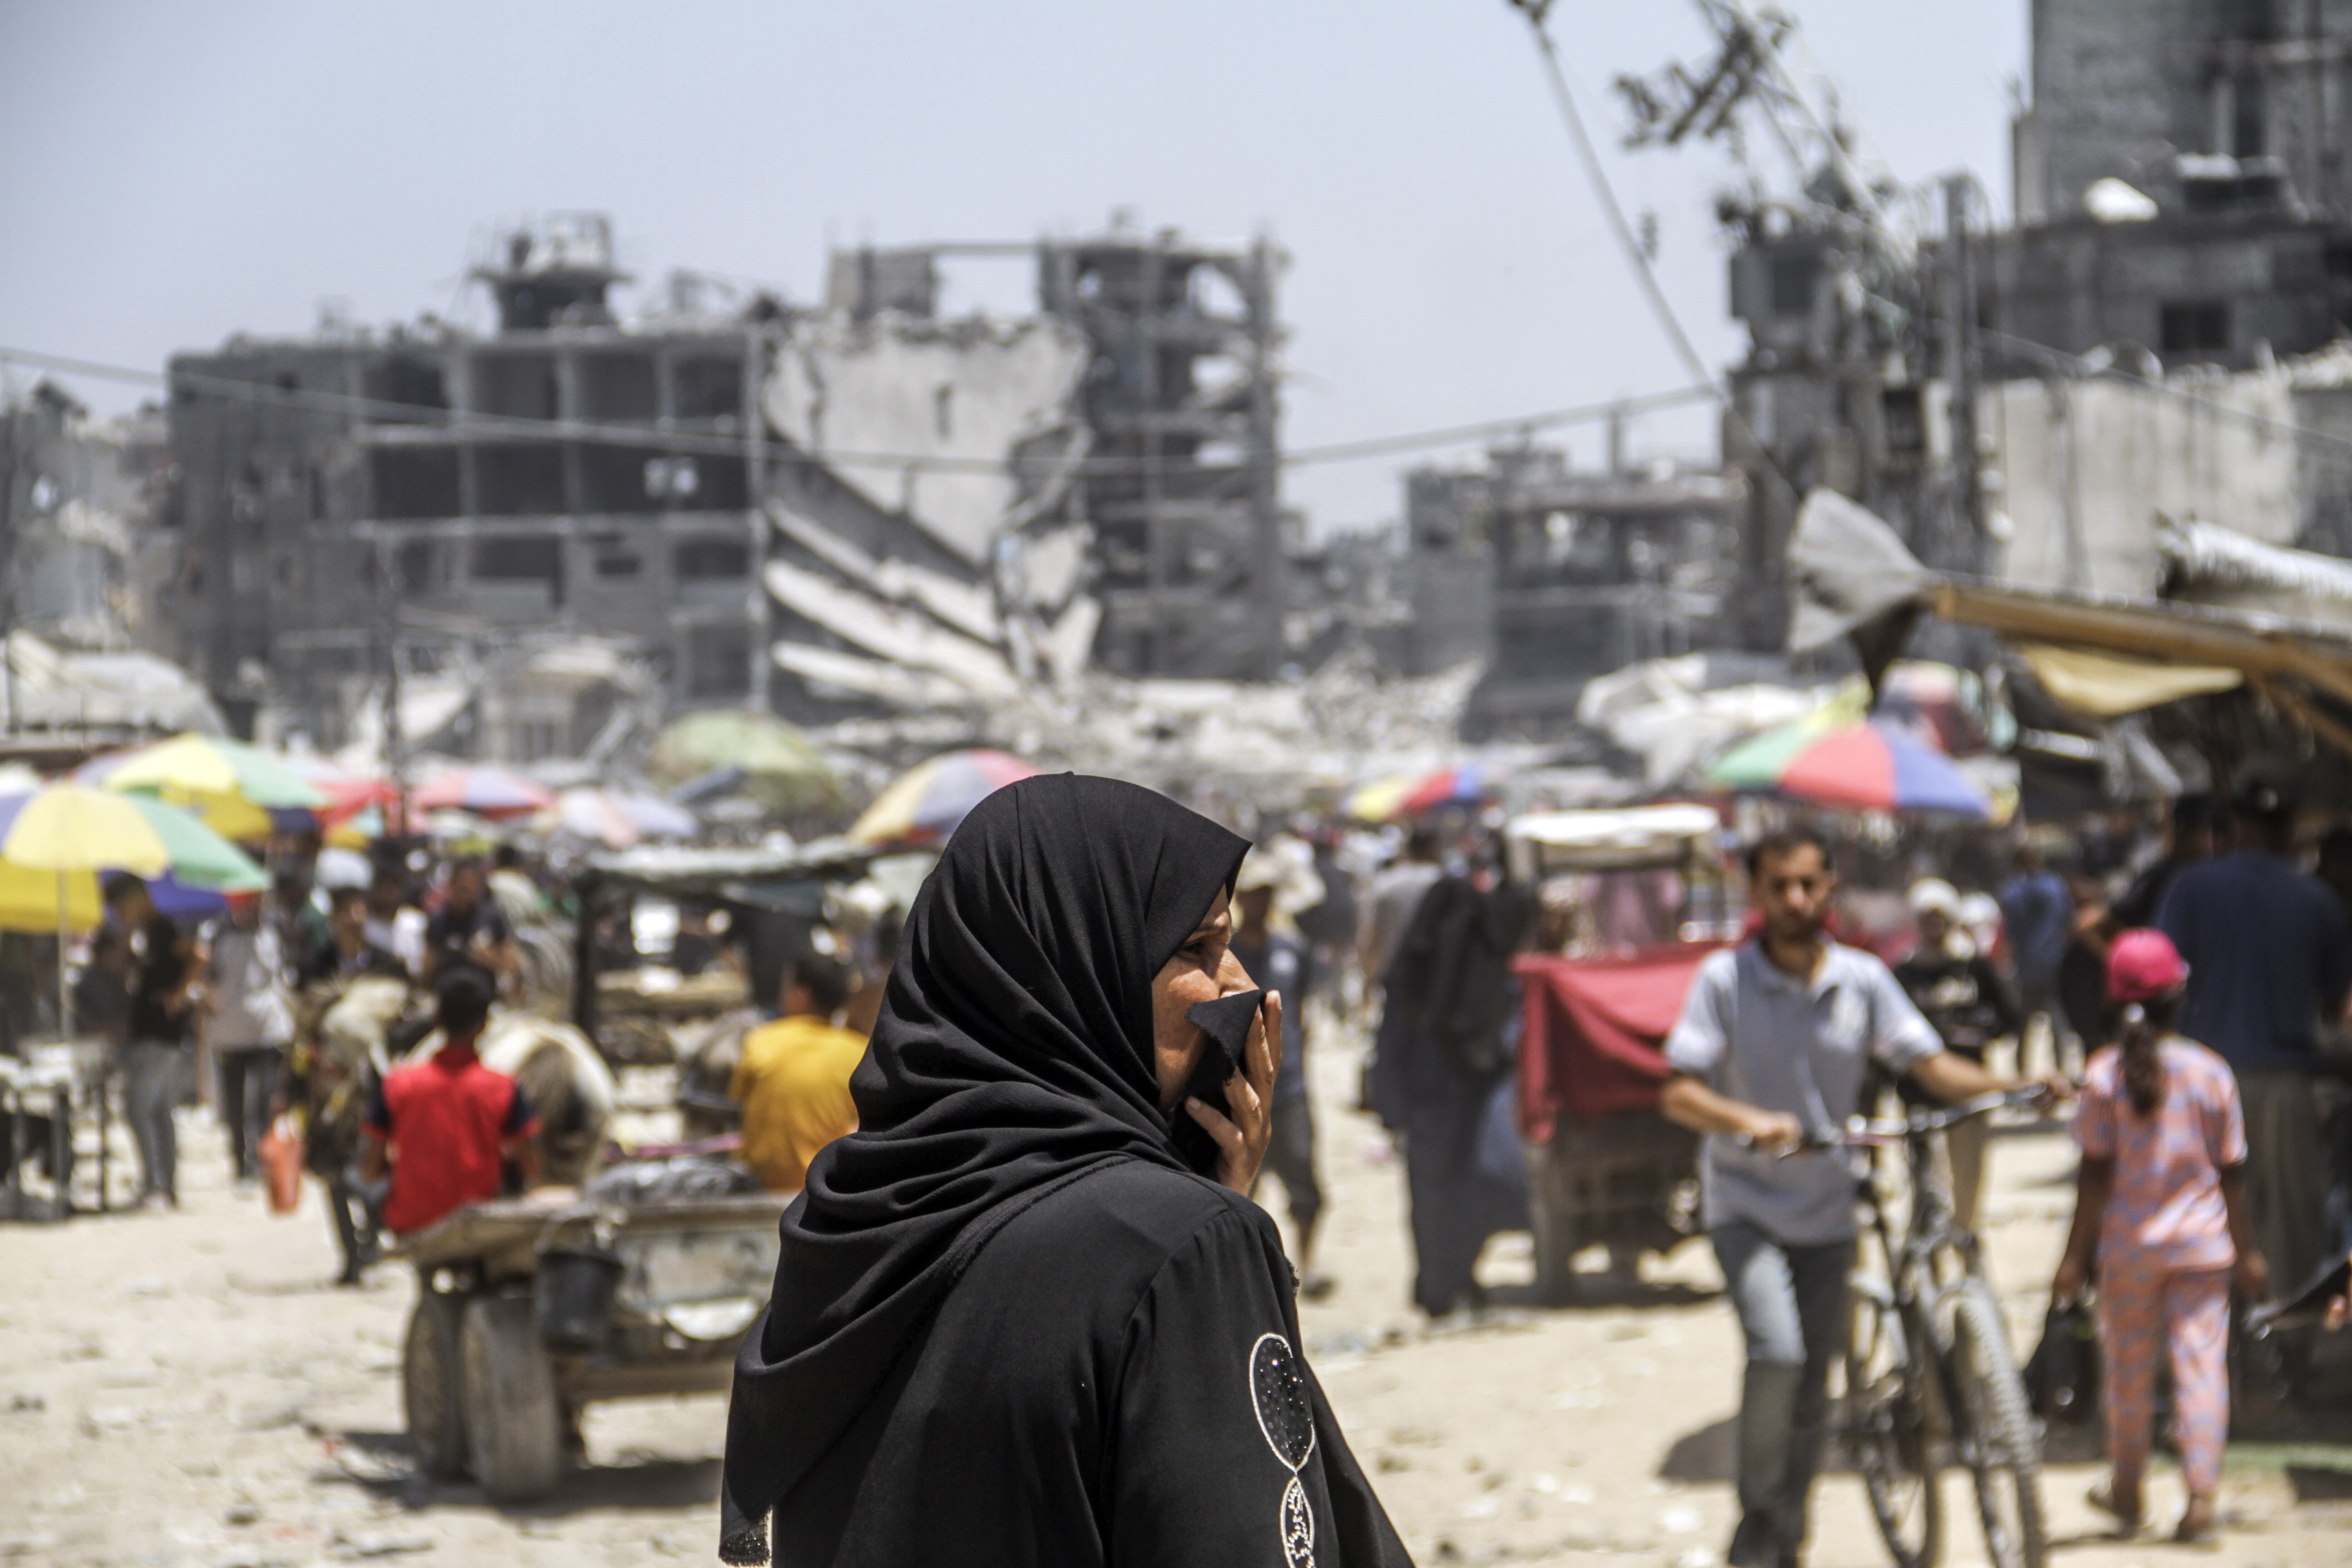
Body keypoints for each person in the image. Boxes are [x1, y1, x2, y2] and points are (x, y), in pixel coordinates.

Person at [719, 775, 1407, 1568]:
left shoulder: (846, 1232)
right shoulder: (1179, 1251)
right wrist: (1214, 1238)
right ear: (1079, 970)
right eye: (1197, 948)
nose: (1241, 988)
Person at [1661, 826, 2063, 1568]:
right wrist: (1749, 1122)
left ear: (1829, 889)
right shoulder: (1723, 981)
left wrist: (2013, 1086)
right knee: (1777, 1353)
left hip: (1829, 1209)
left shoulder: (1862, 978)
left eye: (1808, 884)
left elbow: (1931, 1066)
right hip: (1746, 1205)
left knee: (1816, 1382)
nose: (1795, 899)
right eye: (1779, 886)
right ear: (1756, 893)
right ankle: (1758, 1516)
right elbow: (1678, 1090)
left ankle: (1789, 1534)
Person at [2052, 929, 2267, 1542]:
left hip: (2128, 1251)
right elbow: (2231, 1173)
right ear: (2179, 994)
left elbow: (2093, 1177)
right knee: (2201, 1367)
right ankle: (2200, 1497)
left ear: (2112, 1000)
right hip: (2202, 1249)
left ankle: (2127, 1487)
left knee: (2127, 1370)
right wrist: (2248, 1252)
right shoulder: (2211, 1072)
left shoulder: (2103, 1075)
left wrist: (2074, 1259)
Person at [2158, 762, 2351, 1344]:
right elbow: (2339, 1003)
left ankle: (2214, 1352)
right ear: (2292, 822)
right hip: (2287, 1086)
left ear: (2233, 818)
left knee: (2203, 1217)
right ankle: (2289, 1356)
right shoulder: (2316, 898)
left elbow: (2161, 981)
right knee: (2290, 1226)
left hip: (2199, 1085)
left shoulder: (2191, 888)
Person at [1370, 856, 1537, 1318]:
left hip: (1460, 1099)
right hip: (1438, 1101)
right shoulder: (1419, 976)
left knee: (1459, 1193)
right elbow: (1393, 1038)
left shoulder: (1454, 969)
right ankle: (1440, 1287)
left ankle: (1456, 1279)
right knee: (1439, 1197)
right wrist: (1393, 1107)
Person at [358, 965, 539, 1237]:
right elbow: (532, 1169)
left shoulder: (397, 1083)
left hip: (412, 1222)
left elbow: (370, 1169)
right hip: (479, 1223)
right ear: (484, 1025)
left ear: (437, 1020)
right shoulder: (503, 1087)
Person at [1891, 878, 2023, 1233]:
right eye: (1927, 917)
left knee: (1968, 1175)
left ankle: (1966, 1241)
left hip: (1969, 1091)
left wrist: (1976, 1028)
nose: (1935, 924)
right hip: (1919, 1094)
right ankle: (1930, 1248)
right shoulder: (1905, 972)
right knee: (1927, 1182)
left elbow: (2010, 1018)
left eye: (1941, 916)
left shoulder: (1974, 967)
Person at [1230, 848, 1333, 1299]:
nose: (1261, 902)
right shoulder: (1224, 955)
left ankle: (1307, 1267)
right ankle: (1248, 1277)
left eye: (1267, 893)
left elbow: (1303, 1010)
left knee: (1305, 1181)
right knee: (1240, 1189)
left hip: (1289, 1088)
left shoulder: (1293, 950)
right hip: (1238, 1090)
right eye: (1253, 894)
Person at [729, 952, 868, 1194]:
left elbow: (739, 1101)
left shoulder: (762, 1040)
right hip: (830, 1185)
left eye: (786, 987)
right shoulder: (859, 1051)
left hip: (764, 1184)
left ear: (802, 995)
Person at [107, 874, 194, 1209]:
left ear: (137, 898)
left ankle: (155, 1185)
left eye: (121, 907)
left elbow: (198, 957)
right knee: (159, 1111)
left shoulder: (162, 929)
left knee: (138, 1109)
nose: (119, 914)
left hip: (159, 1036)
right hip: (156, 1035)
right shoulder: (145, 935)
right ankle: (165, 1185)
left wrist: (178, 996)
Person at [204, 892, 296, 1185]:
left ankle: (259, 1158)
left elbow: (287, 971)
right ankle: (239, 1159)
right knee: (234, 1103)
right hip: (231, 1031)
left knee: (266, 1097)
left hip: (269, 1030)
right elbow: (209, 979)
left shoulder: (275, 929)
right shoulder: (218, 934)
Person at [1999, 842, 2074, 1076]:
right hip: (2054, 961)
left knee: (2024, 1020)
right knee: (2057, 1015)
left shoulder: (2011, 892)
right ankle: (2061, 1070)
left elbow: (2009, 933)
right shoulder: (2055, 886)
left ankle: (2021, 1072)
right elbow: (2069, 921)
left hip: (2025, 965)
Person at [2112, 793, 2218, 931]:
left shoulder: (2215, 877)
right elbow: (2116, 915)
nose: (2209, 841)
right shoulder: (2161, 877)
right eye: (2204, 833)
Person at [1362, 824, 1444, 987]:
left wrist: (1368, 978)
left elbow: (1373, 937)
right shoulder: (1447, 884)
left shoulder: (1386, 883)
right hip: (1436, 978)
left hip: (1392, 973)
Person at [421, 857, 515, 984]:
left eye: (470, 888)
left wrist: (488, 957)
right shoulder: (439, 920)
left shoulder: (492, 918)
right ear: (452, 886)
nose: (465, 893)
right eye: (462, 888)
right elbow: (426, 969)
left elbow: (512, 965)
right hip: (447, 986)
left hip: (482, 986)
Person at [301, 885, 407, 986]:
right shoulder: (318, 965)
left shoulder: (384, 962)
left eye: (359, 912)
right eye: (346, 912)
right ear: (334, 917)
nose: (354, 919)